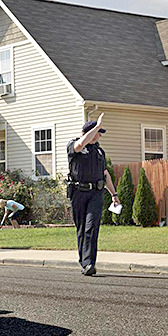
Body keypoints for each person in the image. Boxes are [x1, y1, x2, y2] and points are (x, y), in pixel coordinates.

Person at [66, 116, 119, 277]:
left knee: (91, 227)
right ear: (89, 132)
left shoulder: (99, 151)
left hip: (96, 193)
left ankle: (89, 263)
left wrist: (114, 194)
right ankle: (84, 261)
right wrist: (96, 127)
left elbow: (105, 174)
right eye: (98, 132)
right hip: (78, 192)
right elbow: (81, 144)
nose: (100, 135)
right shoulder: (74, 145)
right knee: (82, 228)